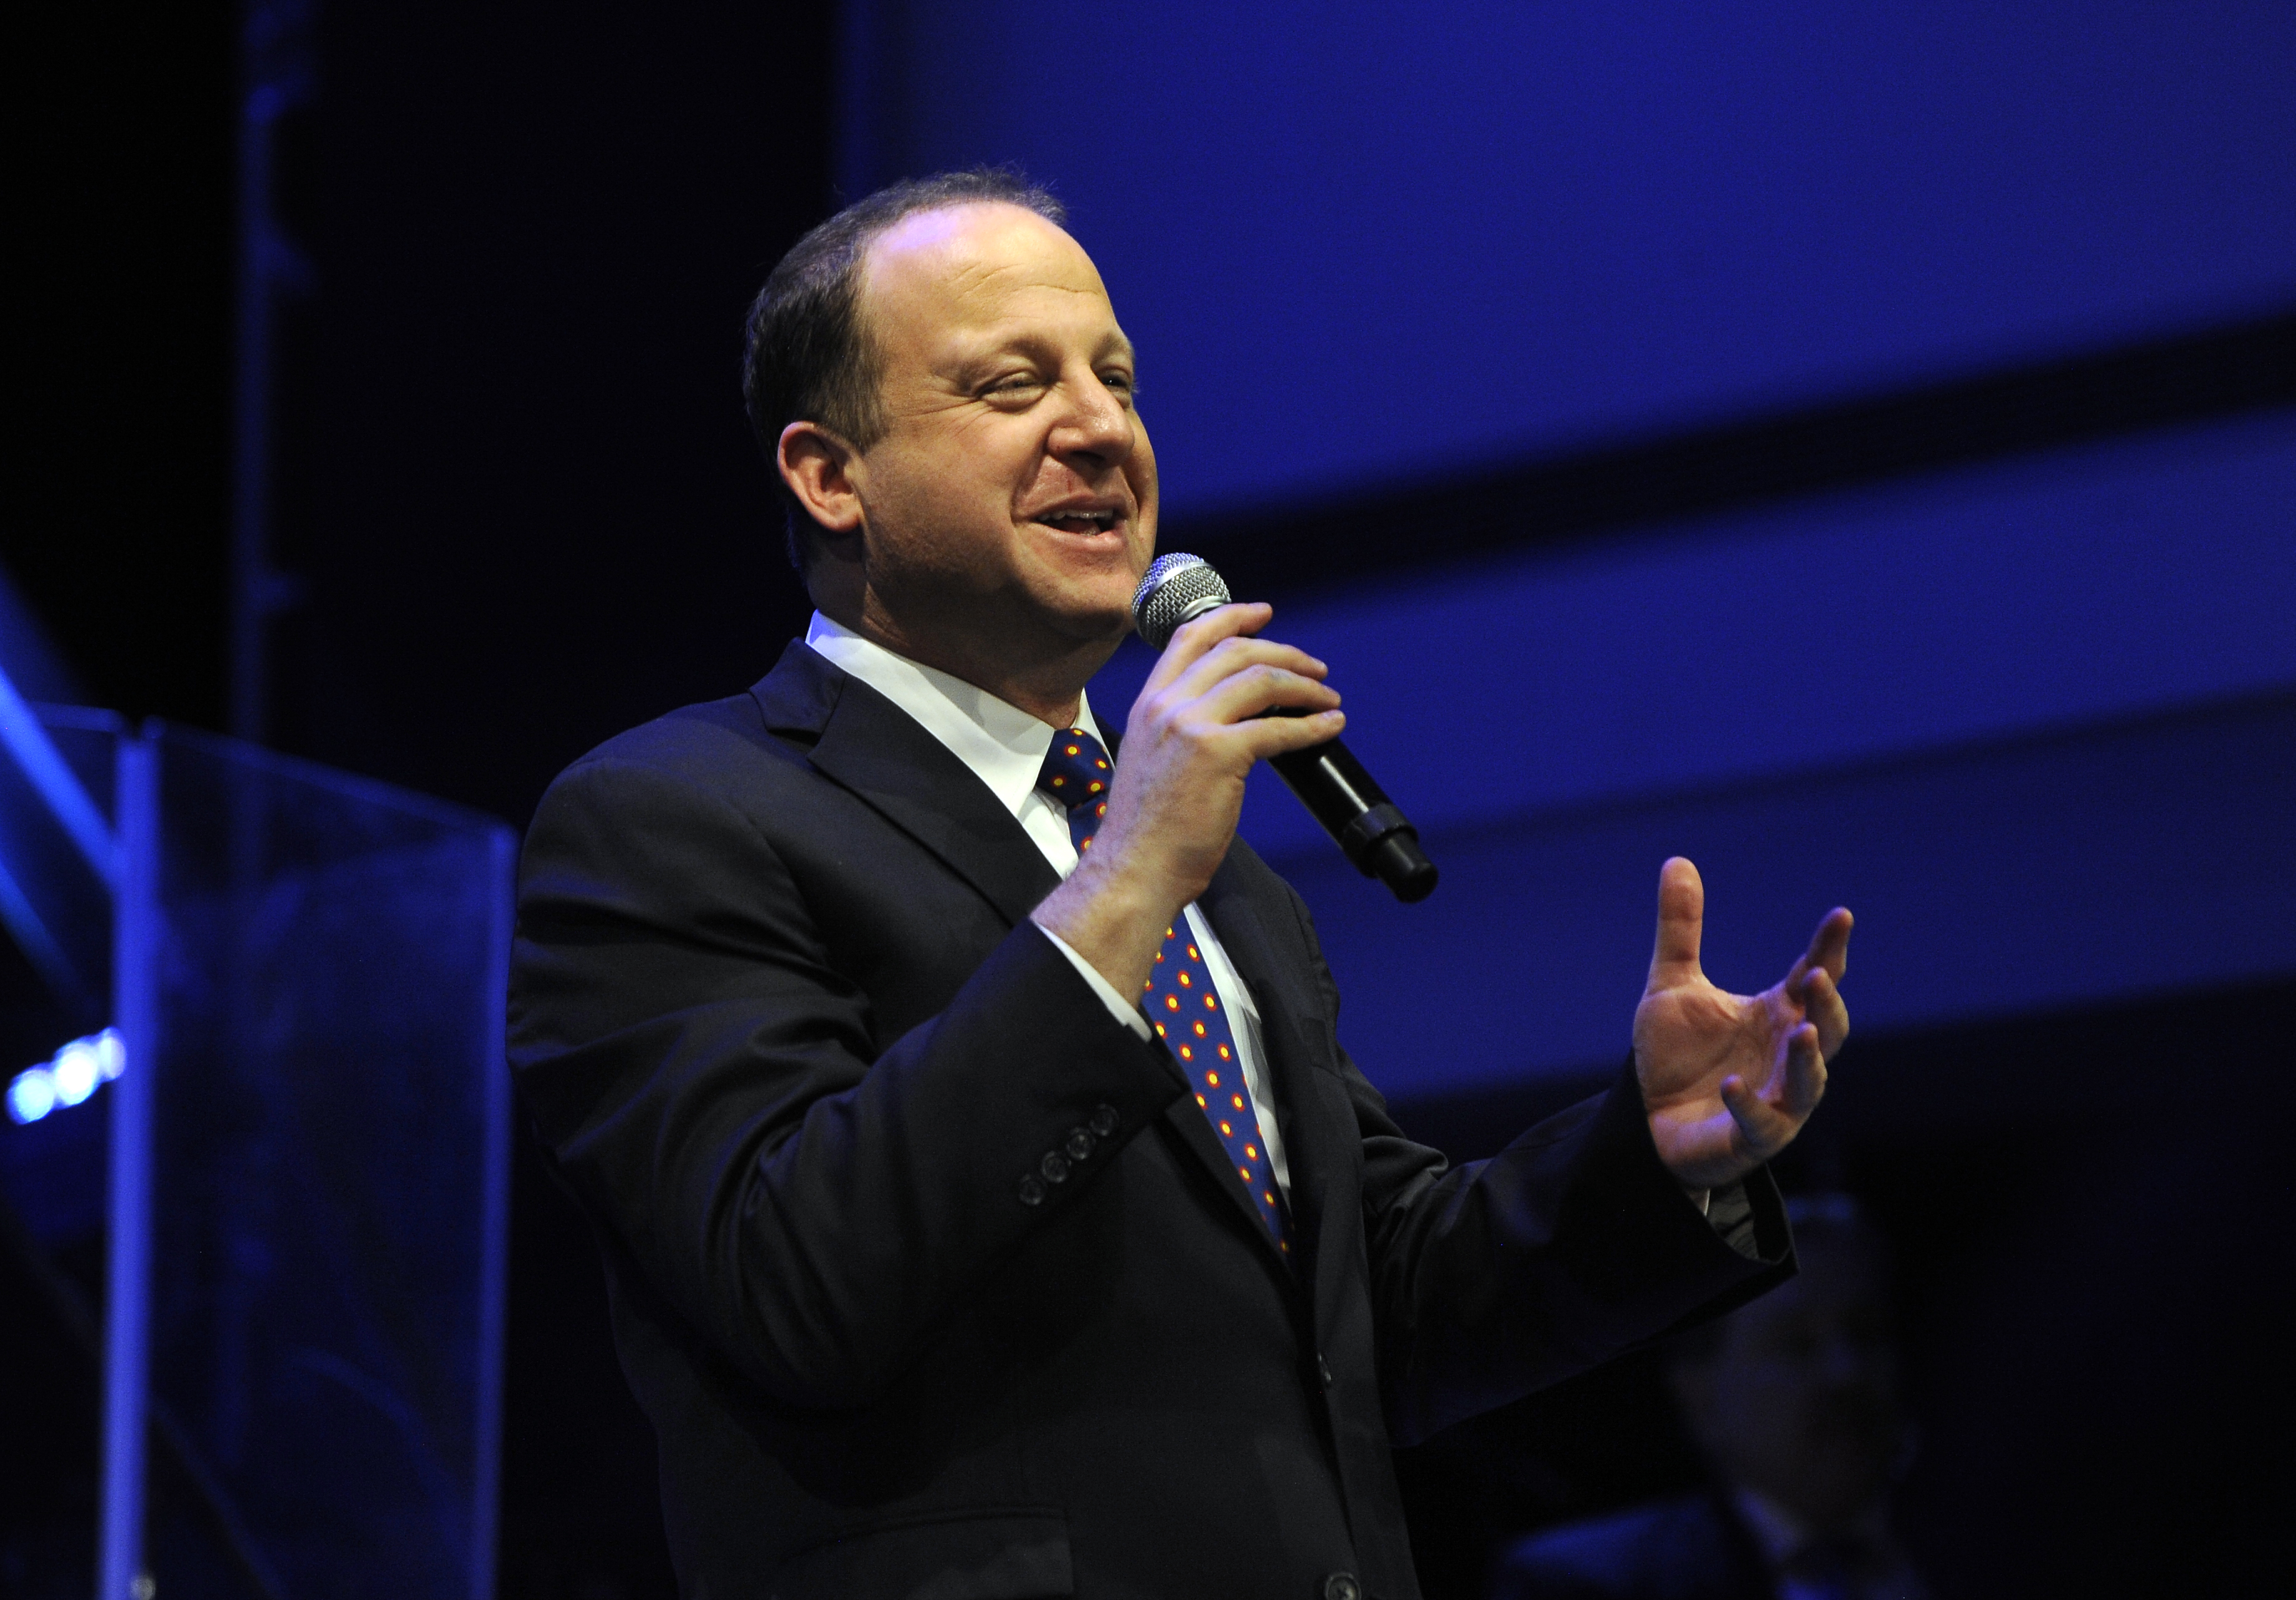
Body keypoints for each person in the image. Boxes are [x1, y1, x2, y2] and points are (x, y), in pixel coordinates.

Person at [506, 169, 1855, 1600]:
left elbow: (1378, 1308)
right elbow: (794, 1282)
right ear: (828, 474)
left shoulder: (1216, 881)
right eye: (1007, 385)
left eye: (1115, 379)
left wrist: (1655, 1161)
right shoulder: (670, 819)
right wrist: (1130, 873)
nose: (1096, 426)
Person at [1489, 1195, 1925, 1600]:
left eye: (1866, 1334)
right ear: (1698, 1395)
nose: (1845, 1373)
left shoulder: (1983, 1539)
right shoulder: (1581, 1584)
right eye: (1796, 1345)